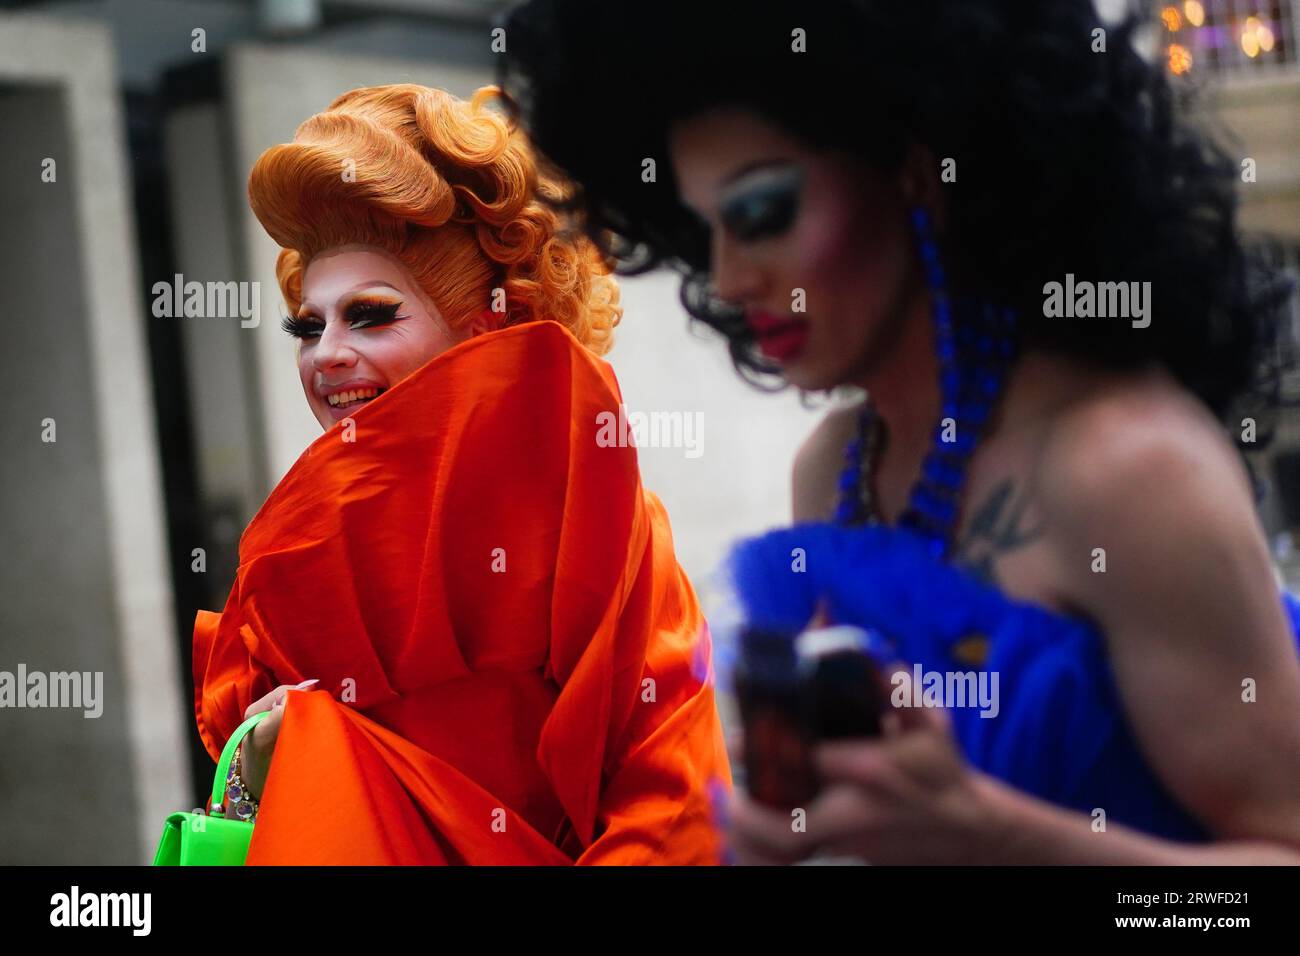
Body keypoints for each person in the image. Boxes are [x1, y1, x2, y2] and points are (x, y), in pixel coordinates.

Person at [500, 0, 1300, 862]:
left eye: (762, 210)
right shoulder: (836, 469)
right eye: (706, 230)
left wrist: (992, 834)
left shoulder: (1127, 469)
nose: (728, 277)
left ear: (917, 167)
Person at [192, 83, 731, 864]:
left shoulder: (599, 522)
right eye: (309, 327)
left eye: (371, 315)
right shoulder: (286, 560)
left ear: (483, 328)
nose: (327, 353)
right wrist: (262, 761)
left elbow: (673, 802)